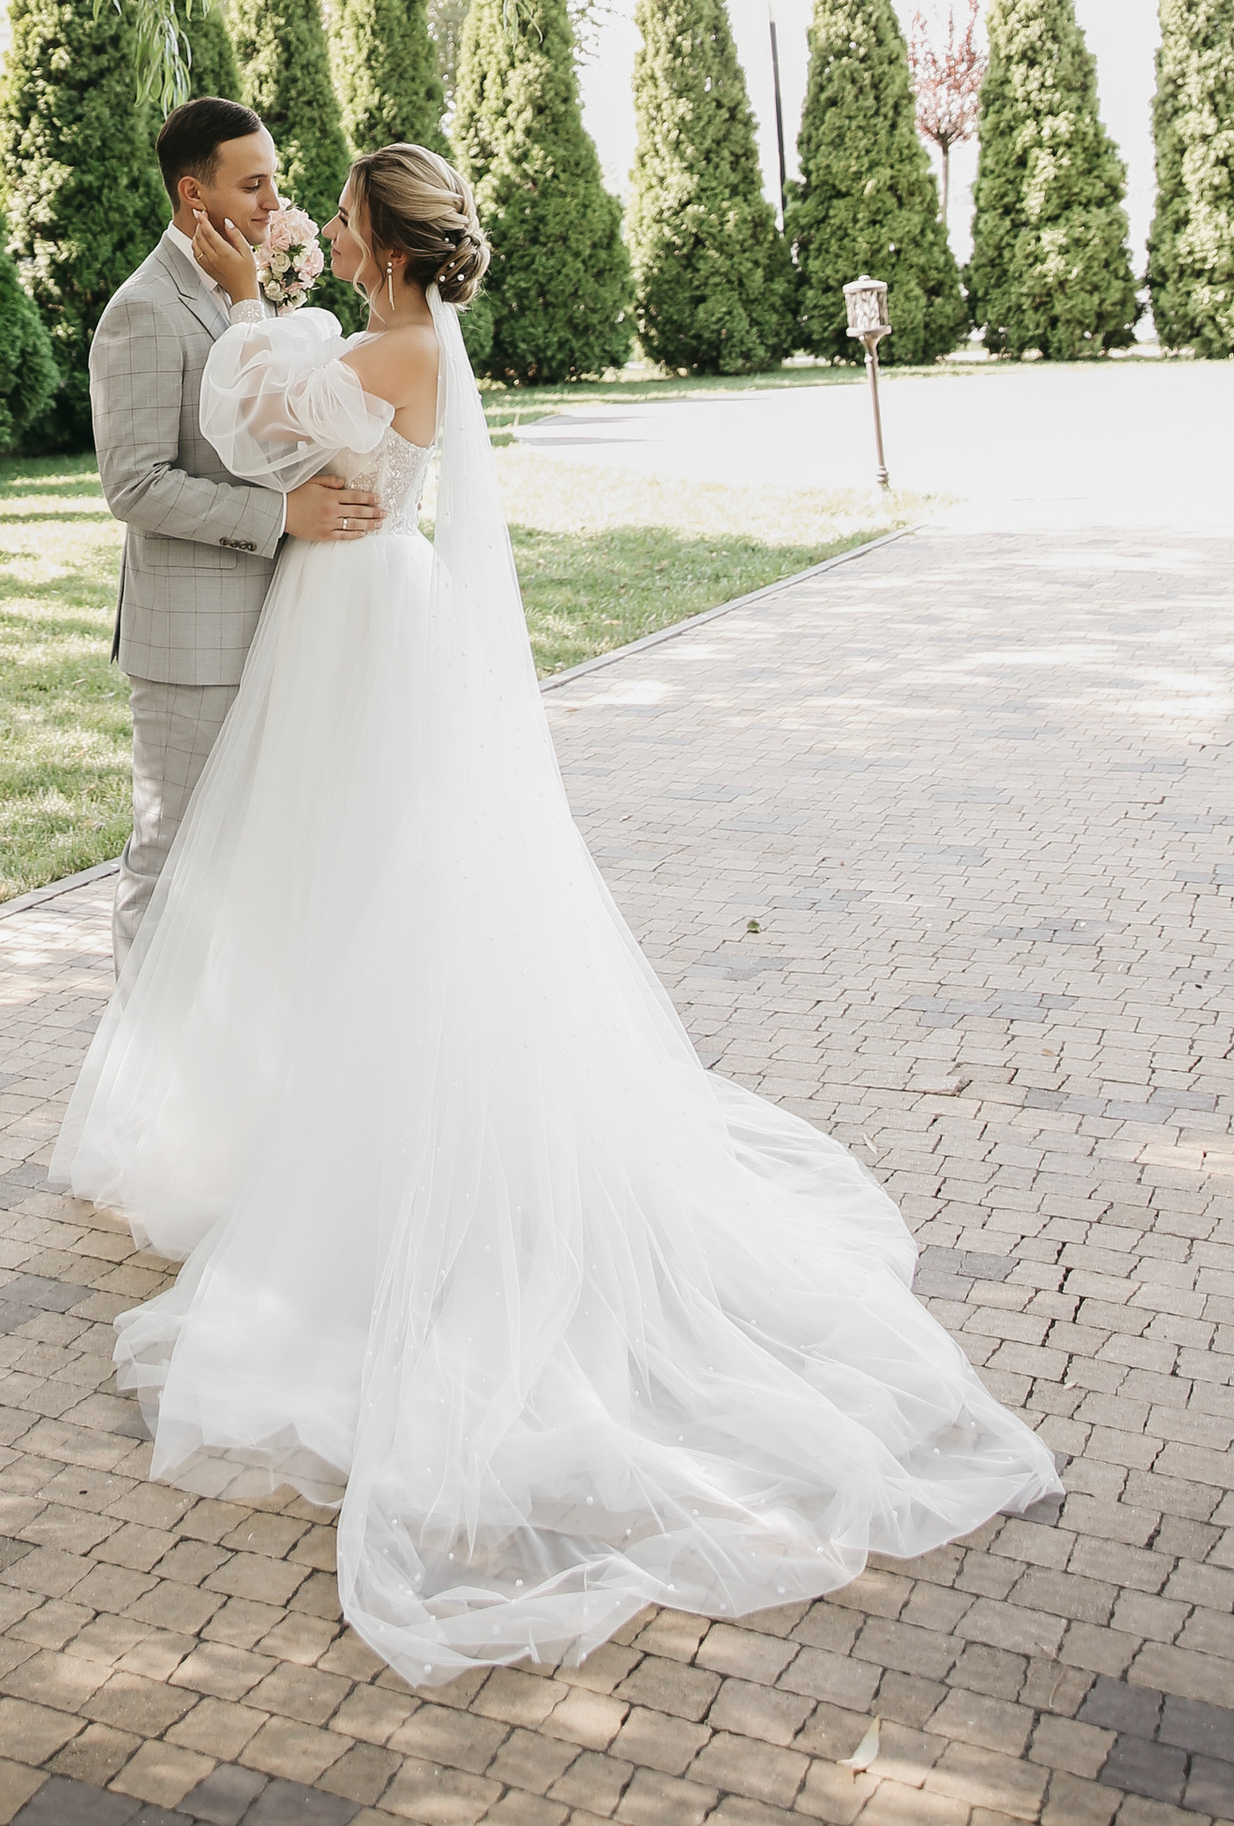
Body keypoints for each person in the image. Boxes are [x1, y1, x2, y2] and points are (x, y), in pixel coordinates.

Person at [55, 137, 1057, 1686]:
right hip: (367, 604)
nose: (311, 221)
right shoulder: (401, 343)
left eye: (336, 213)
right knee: (361, 879)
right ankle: (315, 1115)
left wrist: (258, 305)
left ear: (384, 245)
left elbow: (247, 423)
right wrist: (289, 317)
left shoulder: (371, 348)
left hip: (354, 618)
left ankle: (371, 1165)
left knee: (350, 880)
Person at [88, 97, 384, 969]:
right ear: (193, 194)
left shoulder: (246, 289)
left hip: (278, 626)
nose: (272, 203)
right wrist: (282, 516)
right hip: (191, 645)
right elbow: (133, 484)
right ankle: (136, 1064)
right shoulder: (143, 309)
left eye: (275, 183)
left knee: (249, 862)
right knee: (172, 854)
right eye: (253, 185)